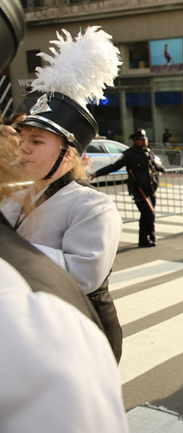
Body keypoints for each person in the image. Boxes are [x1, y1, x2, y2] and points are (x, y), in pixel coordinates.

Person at [0, 26, 124, 362]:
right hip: (37, 329)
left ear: (68, 153)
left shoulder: (94, 206)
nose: (23, 149)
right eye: (23, 139)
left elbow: (83, 277)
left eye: (37, 142)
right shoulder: (15, 195)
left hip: (84, 333)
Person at [91, 129, 166, 248]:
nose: (144, 142)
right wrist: (97, 173)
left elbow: (153, 165)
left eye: (145, 139)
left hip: (151, 188)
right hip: (139, 189)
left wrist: (161, 168)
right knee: (149, 213)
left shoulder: (147, 151)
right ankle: (149, 236)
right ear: (135, 140)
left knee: (147, 214)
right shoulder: (129, 154)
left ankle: (145, 238)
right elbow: (114, 166)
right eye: (141, 140)